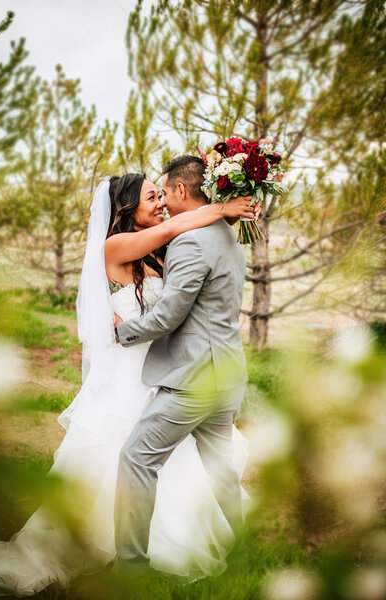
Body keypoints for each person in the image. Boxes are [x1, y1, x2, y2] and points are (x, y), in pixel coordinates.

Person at [0, 163, 258, 596]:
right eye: (152, 196)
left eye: (161, 193)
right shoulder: (118, 244)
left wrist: (222, 215)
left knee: (159, 461)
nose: (160, 203)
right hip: (136, 371)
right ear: (128, 206)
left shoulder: (159, 252)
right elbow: (180, 227)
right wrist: (223, 208)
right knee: (127, 457)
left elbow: (185, 279)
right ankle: (119, 553)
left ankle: (154, 551)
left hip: (166, 368)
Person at [113, 156, 254, 579]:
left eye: (164, 191)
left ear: (179, 191)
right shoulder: (226, 237)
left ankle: (131, 567)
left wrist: (121, 333)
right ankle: (244, 553)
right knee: (221, 471)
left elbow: (169, 316)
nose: (162, 199)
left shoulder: (191, 243)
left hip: (194, 380)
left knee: (136, 459)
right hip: (226, 373)